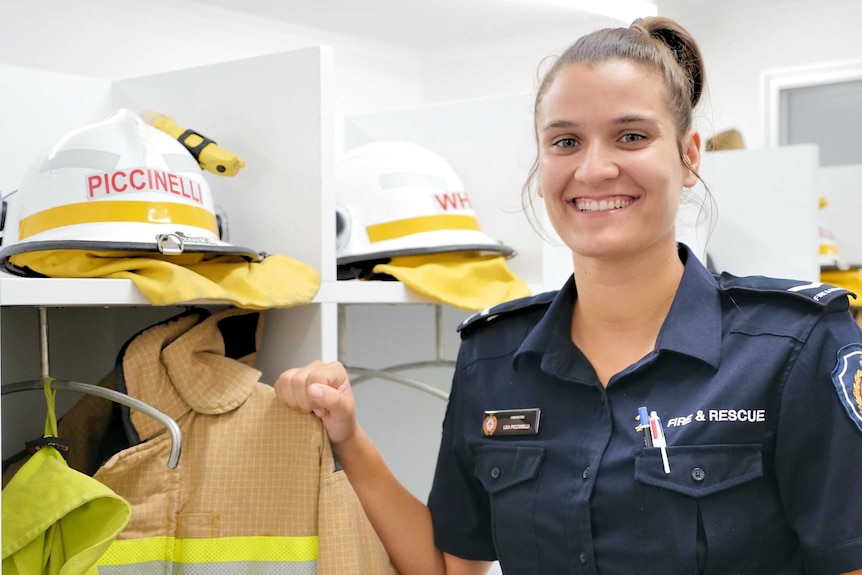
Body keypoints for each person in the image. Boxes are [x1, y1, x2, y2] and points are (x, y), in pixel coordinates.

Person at [275, 16, 862, 575]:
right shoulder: (494, 355)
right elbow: (450, 565)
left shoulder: (796, 346)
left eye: (631, 136)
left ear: (688, 156)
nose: (594, 168)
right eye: (566, 142)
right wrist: (348, 439)